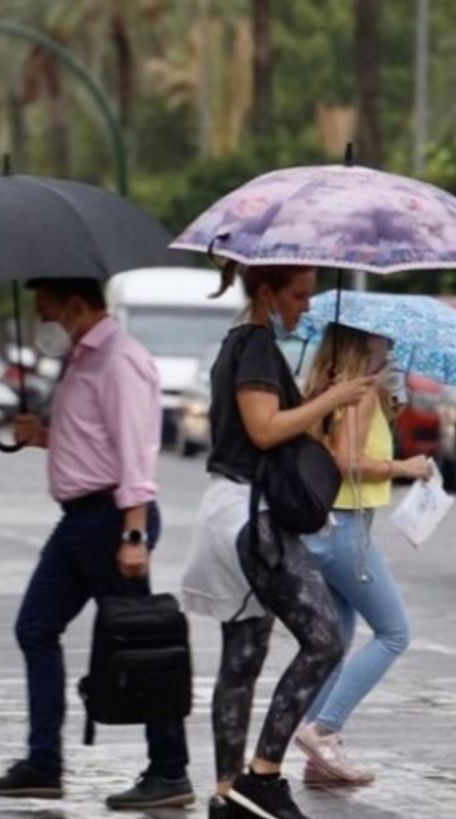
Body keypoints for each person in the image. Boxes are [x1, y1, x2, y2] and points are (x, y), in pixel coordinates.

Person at [0, 278, 194, 811]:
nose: (42, 323)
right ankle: (43, 764)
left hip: (112, 519)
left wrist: (134, 534)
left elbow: (136, 450)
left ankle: (170, 770)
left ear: (75, 305)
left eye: (46, 311)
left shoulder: (119, 359)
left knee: (144, 647)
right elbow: (94, 441)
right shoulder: (83, 357)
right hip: (79, 521)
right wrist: (43, 436)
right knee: (36, 628)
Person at [181, 264, 375, 819]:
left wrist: (323, 398)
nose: (306, 306)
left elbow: (270, 428)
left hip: (227, 513)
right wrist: (332, 398)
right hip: (252, 518)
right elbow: (264, 430)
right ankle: (263, 776)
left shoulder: (238, 343)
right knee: (324, 639)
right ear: (267, 292)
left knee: (242, 657)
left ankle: (228, 794)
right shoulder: (258, 346)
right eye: (298, 294)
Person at [294, 326, 425, 785]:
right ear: (364, 344)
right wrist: (404, 466)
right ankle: (322, 730)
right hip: (346, 530)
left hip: (322, 526)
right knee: (394, 633)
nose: (391, 346)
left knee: (337, 638)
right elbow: (346, 460)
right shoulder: (359, 391)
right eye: (384, 340)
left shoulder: (327, 389)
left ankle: (319, 758)